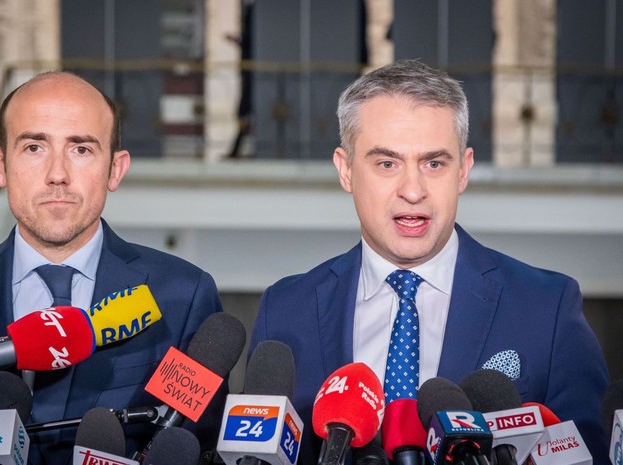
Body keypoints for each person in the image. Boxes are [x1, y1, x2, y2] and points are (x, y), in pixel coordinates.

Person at [248, 60, 610, 464]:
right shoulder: (285, 310)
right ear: (346, 170)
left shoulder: (547, 307)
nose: (413, 190)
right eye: (387, 164)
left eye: (433, 163)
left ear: (463, 171)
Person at [0, 71, 223, 464]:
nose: (57, 175)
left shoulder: (183, 294)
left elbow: (200, 446)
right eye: (34, 147)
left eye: (81, 149)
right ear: (0, 165)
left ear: (115, 170)